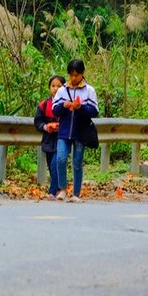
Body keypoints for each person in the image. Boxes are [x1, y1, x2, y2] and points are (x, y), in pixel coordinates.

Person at [51, 58, 99, 202]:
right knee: (60, 158)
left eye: (76, 75)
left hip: (80, 132)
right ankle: (62, 189)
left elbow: (94, 110)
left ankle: (76, 194)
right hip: (64, 131)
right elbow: (55, 109)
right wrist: (64, 106)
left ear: (82, 74)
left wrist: (81, 107)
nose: (74, 78)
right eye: (71, 75)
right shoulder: (62, 90)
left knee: (77, 162)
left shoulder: (89, 90)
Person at [34, 73, 65, 198]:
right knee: (51, 166)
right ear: (49, 88)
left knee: (55, 163)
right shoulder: (44, 105)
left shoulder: (66, 105)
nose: (56, 88)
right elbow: (37, 122)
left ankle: (52, 192)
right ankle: (59, 188)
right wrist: (46, 127)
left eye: (59, 86)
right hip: (48, 140)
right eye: (53, 86)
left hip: (61, 139)